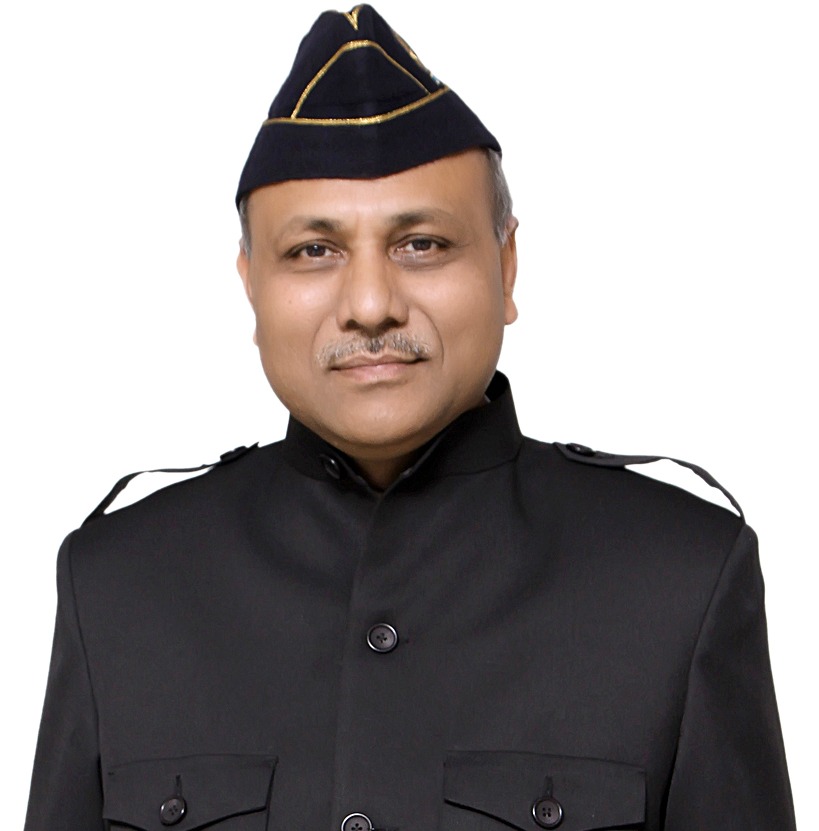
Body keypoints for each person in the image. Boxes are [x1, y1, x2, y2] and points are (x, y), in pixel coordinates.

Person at [24, 5, 795, 830]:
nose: (368, 304)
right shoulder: (118, 584)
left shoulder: (678, 576)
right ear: (250, 284)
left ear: (505, 265)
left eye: (420, 243)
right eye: (313, 251)